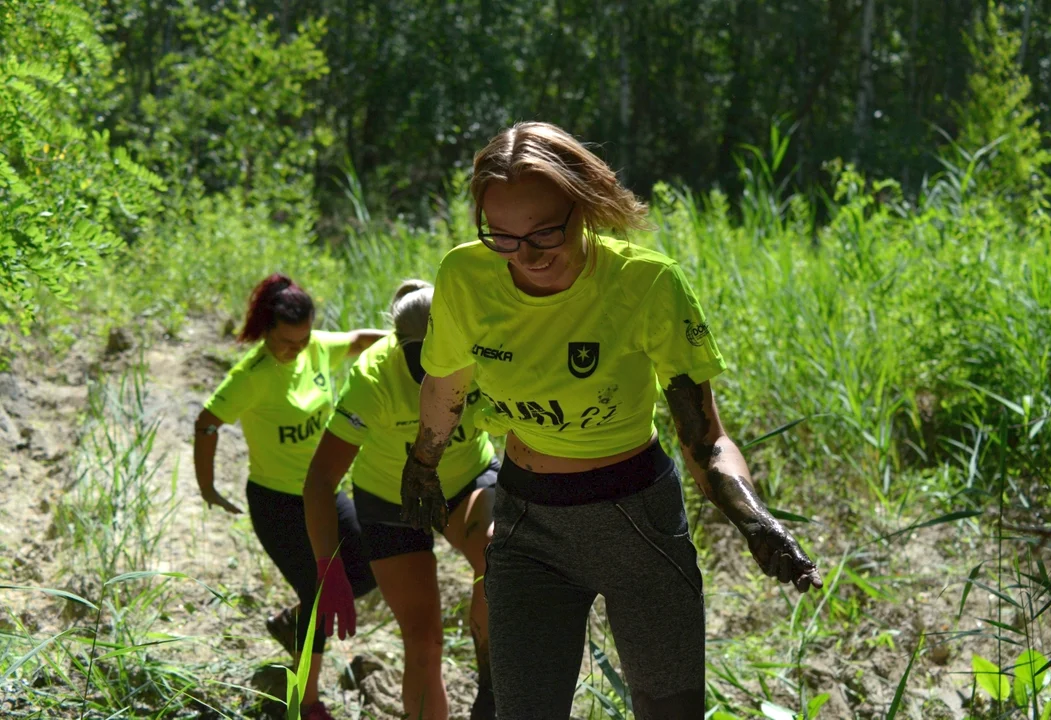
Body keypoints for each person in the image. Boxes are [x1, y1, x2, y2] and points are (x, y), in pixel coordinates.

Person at [397, 122, 825, 719]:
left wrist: (753, 521)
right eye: (504, 237)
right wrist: (422, 465)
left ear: (588, 205)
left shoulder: (646, 284)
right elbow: (446, 383)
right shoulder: (466, 277)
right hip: (526, 521)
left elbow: (704, 438)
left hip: (637, 520)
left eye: (546, 230)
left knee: (670, 711)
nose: (528, 254)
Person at [304, 279, 499, 720]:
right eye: (416, 361)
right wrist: (327, 566)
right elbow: (320, 479)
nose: (426, 374)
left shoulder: (484, 355)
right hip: (390, 499)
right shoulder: (373, 377)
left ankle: (491, 689)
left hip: (465, 481)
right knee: (424, 641)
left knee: (498, 554)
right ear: (396, 344)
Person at [194, 273, 385, 720]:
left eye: (301, 341)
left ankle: (292, 622)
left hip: (325, 491)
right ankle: (307, 701)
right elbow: (206, 422)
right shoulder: (252, 375)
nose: (295, 350)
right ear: (265, 331)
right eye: (286, 342)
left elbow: (358, 339)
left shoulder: (315, 345)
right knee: (318, 592)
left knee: (372, 565)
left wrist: (413, 339)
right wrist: (207, 487)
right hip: (277, 503)